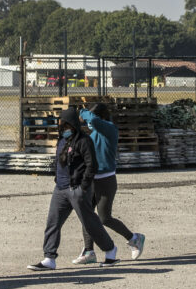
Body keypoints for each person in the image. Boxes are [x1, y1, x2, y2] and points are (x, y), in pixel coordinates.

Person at [28, 107, 119, 271]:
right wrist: (57, 178)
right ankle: (49, 258)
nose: (64, 128)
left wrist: (83, 187)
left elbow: (92, 165)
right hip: (60, 189)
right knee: (53, 222)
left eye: (66, 125)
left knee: (90, 223)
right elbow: (58, 161)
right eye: (62, 125)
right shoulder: (62, 140)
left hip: (77, 189)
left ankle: (110, 250)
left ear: (74, 125)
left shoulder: (84, 141)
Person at [72, 103, 146, 264]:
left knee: (105, 218)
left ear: (101, 117)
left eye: (91, 119)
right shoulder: (93, 135)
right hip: (92, 180)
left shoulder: (110, 129)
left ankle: (134, 238)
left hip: (106, 180)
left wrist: (82, 111)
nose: (88, 124)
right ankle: (89, 250)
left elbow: (94, 120)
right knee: (87, 215)